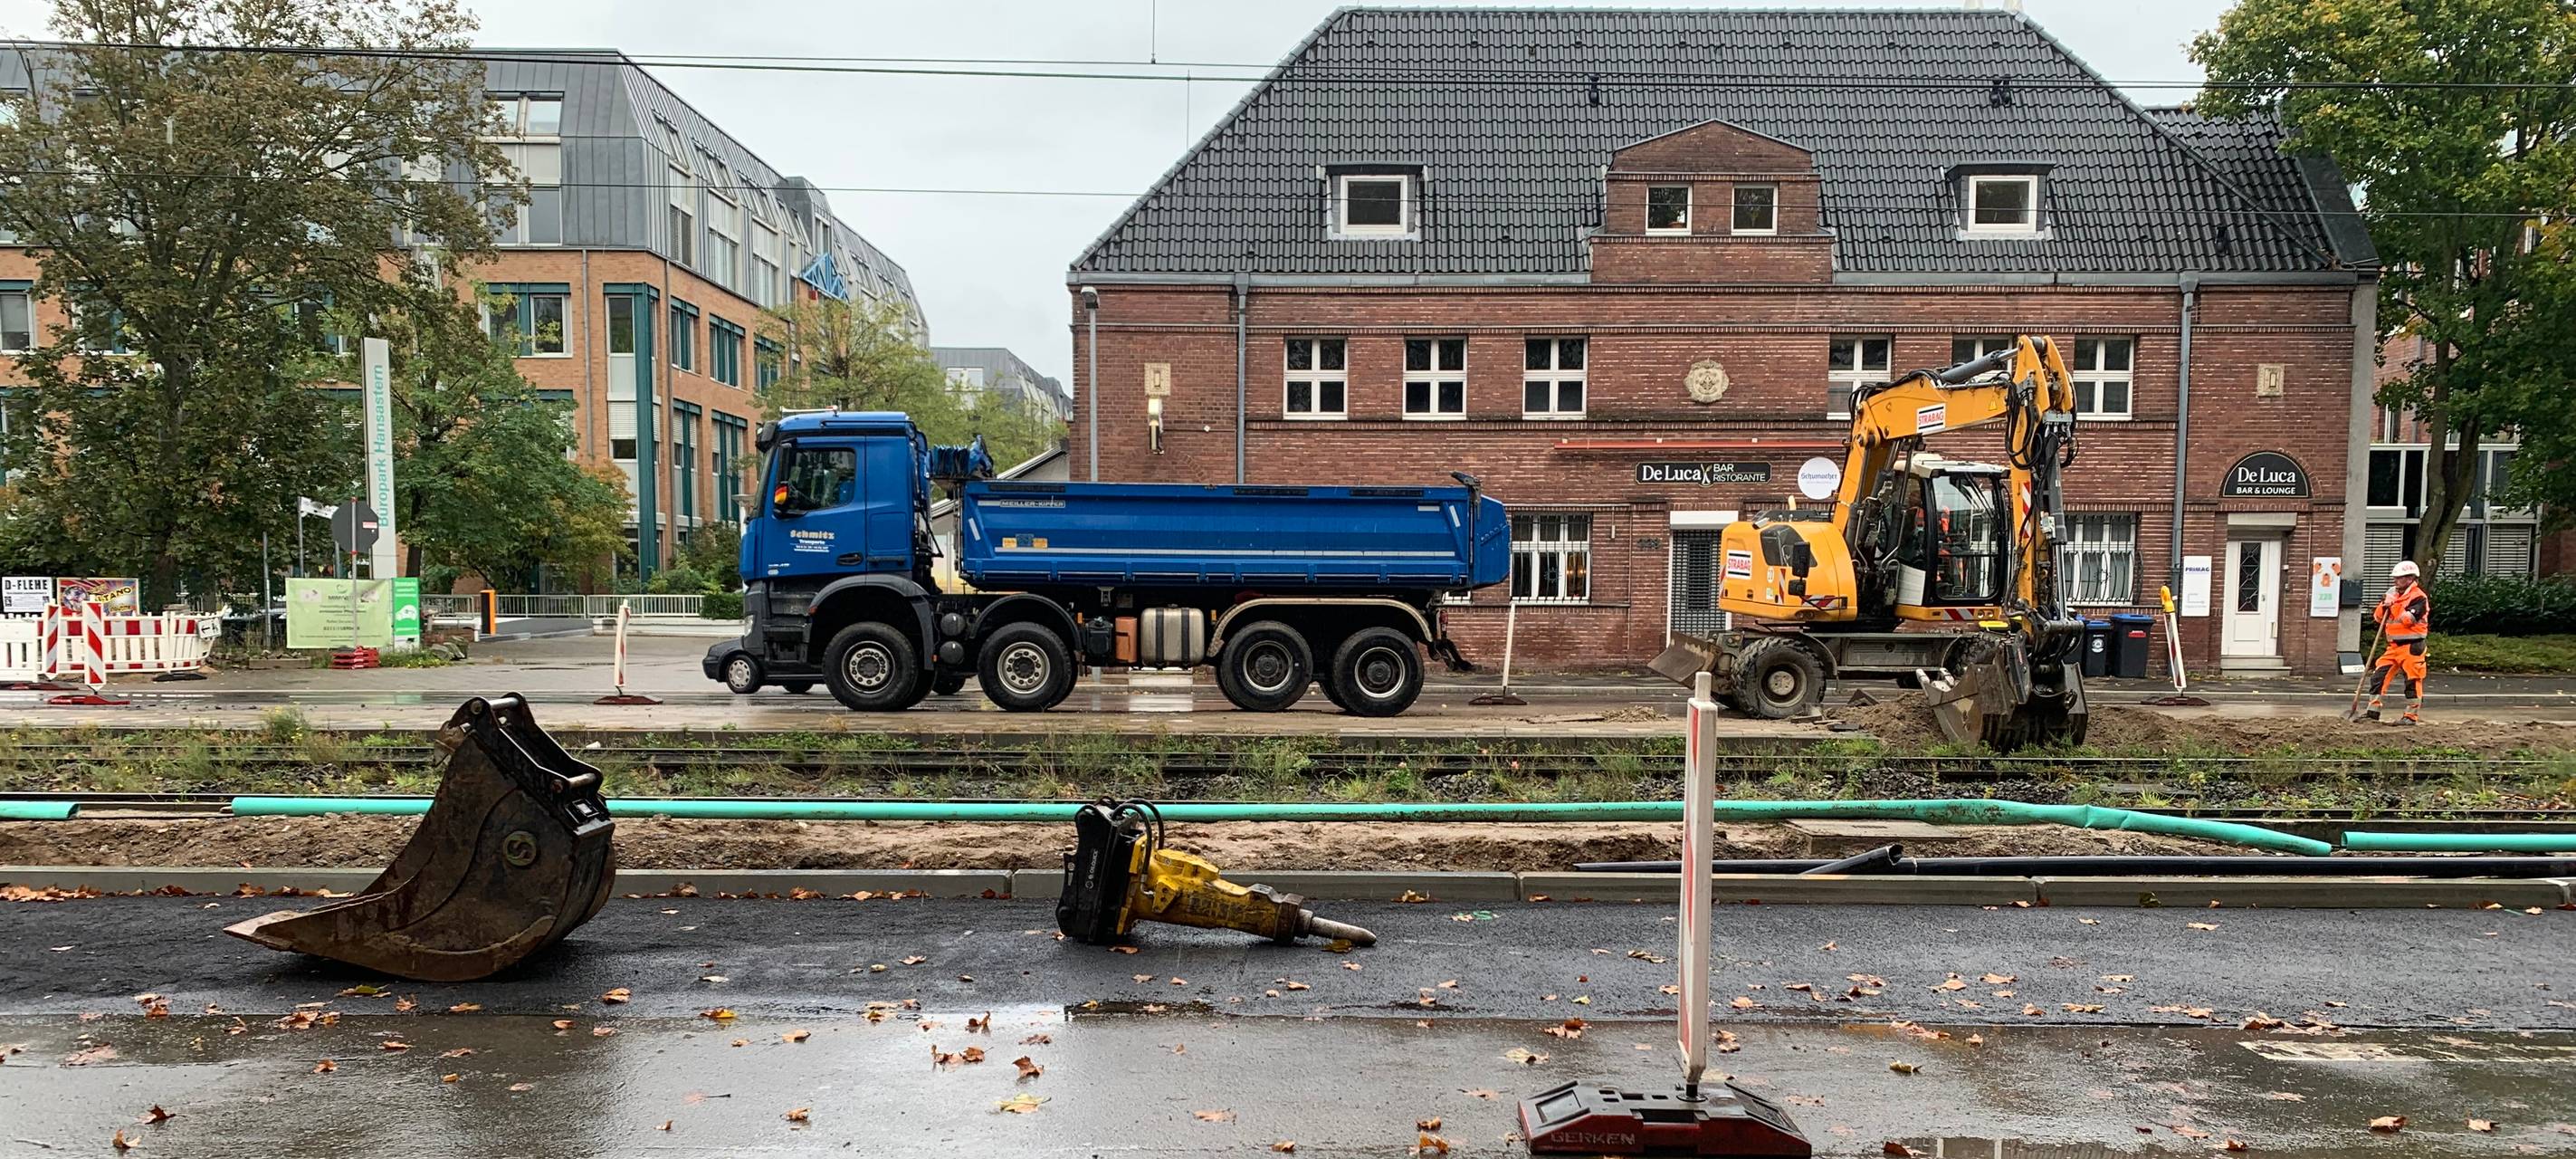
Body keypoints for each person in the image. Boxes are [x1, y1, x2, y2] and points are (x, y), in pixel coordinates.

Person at [2367, 560, 2431, 724]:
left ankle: (2410, 717)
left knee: (2412, 680)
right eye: (2395, 578)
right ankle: (2372, 713)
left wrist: (2393, 605)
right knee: (2378, 677)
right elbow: (2378, 617)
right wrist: (2384, 604)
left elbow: (2407, 620)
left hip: (2412, 646)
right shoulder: (2393, 594)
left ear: (2410, 578)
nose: (2395, 581)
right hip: (2393, 646)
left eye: (2399, 578)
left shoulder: (2419, 598)